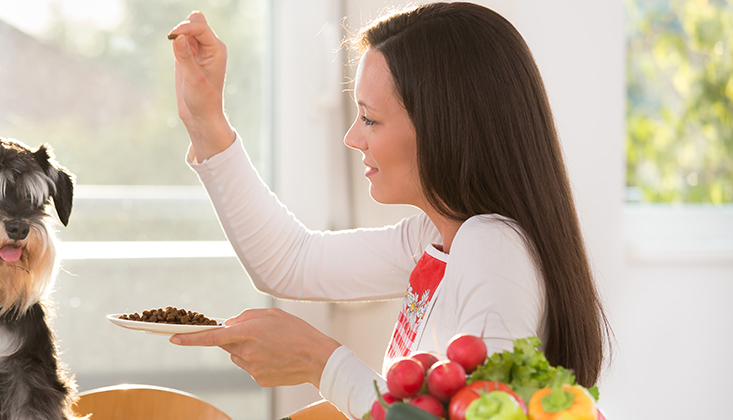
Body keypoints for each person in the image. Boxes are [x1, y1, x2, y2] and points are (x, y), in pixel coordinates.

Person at [166, 2, 610, 417]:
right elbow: (290, 261)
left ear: (444, 128)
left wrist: (320, 362)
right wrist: (206, 121)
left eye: (370, 119)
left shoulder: (491, 248)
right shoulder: (436, 237)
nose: (352, 138)